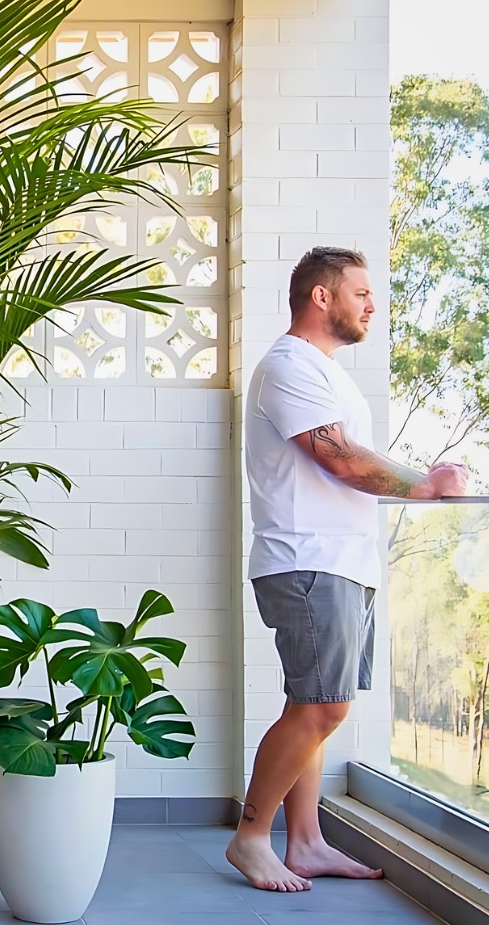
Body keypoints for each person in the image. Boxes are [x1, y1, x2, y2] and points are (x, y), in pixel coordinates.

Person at [226, 246, 468, 893]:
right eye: (360, 291)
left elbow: (344, 457)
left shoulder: (326, 372)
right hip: (307, 561)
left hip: (341, 563)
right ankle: (252, 838)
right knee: (320, 708)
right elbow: (337, 457)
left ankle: (304, 841)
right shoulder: (286, 366)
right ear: (321, 297)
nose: (372, 304)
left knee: (313, 705)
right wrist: (425, 484)